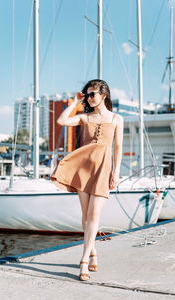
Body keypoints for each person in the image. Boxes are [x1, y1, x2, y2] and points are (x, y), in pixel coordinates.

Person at [51, 79, 123, 281]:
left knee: (94, 215)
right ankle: (93, 252)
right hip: (83, 168)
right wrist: (74, 102)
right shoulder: (85, 117)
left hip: (102, 169)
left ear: (104, 95)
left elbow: (117, 148)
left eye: (93, 94)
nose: (89, 98)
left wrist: (116, 172)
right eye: (87, 94)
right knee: (85, 216)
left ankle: (83, 261)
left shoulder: (117, 118)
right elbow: (62, 121)